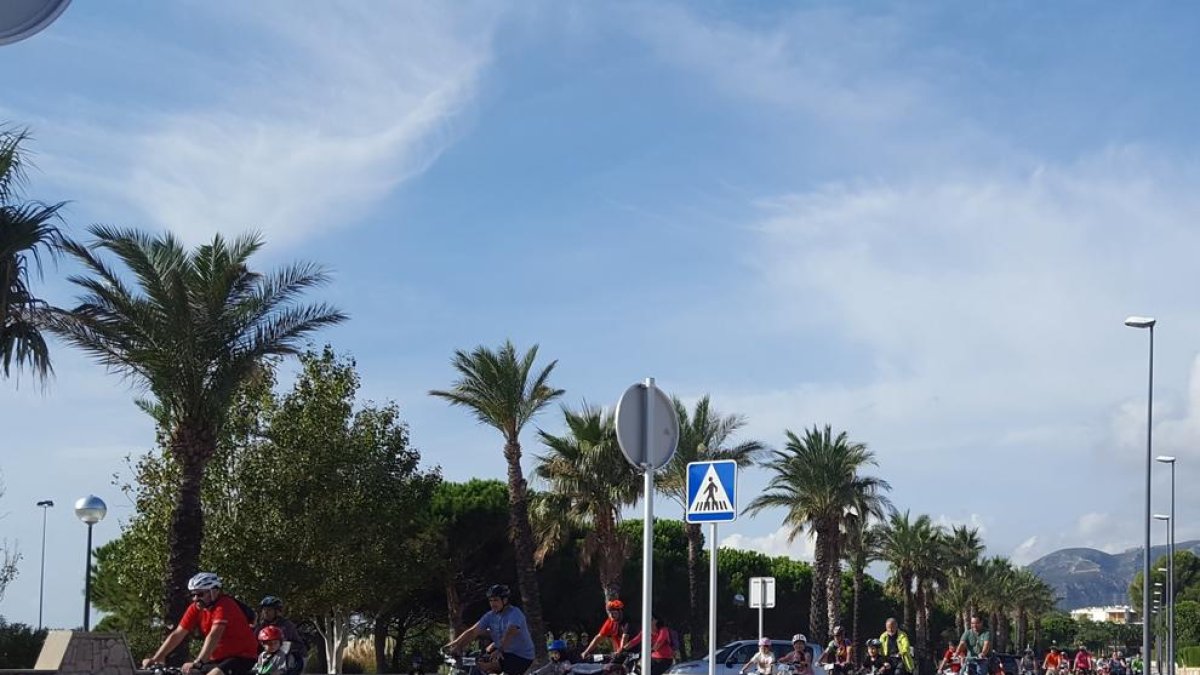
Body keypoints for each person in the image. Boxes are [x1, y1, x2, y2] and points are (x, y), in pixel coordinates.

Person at [142, 572, 259, 675]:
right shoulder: (196, 608)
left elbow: (214, 635)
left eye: (200, 594)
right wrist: (156, 658)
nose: (195, 598)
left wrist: (199, 662)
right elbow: (178, 634)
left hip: (242, 656)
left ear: (214, 592)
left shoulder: (224, 605)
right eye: (193, 594)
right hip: (218, 658)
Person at [443, 584, 535, 675]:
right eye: (490, 600)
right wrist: (456, 645)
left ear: (505, 600)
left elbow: (510, 632)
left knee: (484, 666)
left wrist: (500, 649)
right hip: (504, 654)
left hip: (521, 656)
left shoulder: (514, 613)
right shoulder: (490, 616)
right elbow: (473, 631)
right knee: (473, 662)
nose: (492, 604)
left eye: (496, 600)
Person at [255, 596, 307, 673]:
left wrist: (283, 644)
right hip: (269, 657)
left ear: (277, 611)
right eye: (264, 610)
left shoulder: (287, 625)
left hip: (293, 658)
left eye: (269, 610)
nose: (266, 612)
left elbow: (299, 645)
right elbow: (254, 643)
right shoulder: (261, 627)